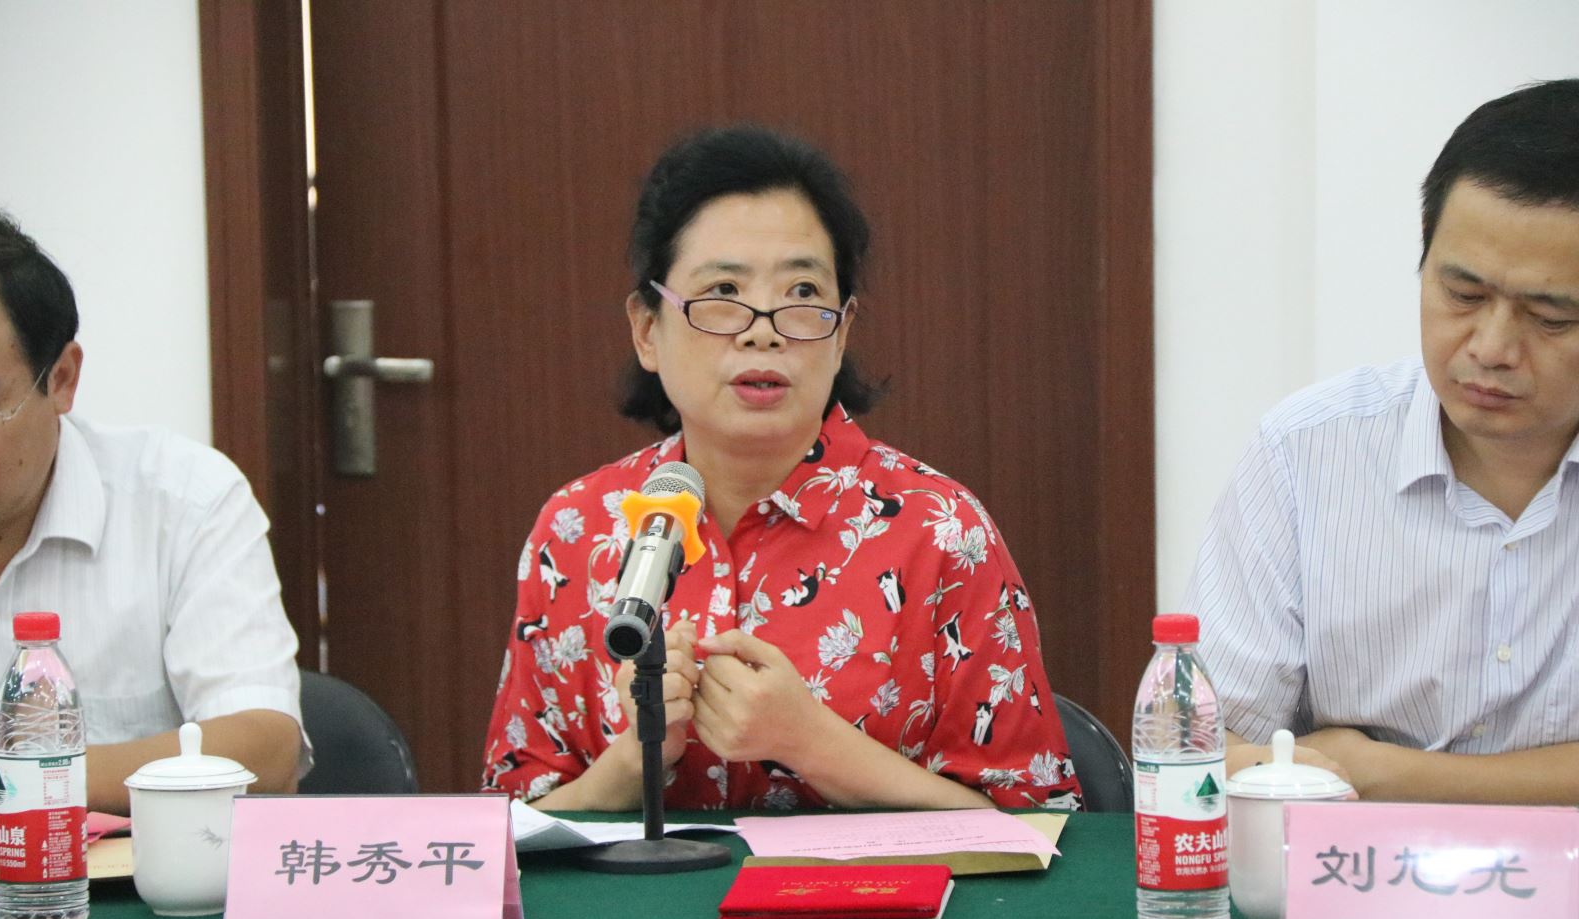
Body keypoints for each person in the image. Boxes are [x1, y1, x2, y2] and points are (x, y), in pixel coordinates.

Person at [482, 126, 1081, 811]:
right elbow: (510, 829)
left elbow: (1040, 823)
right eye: (723, 291)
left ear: (841, 332)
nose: (762, 329)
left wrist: (811, 743)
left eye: (801, 292)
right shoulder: (577, 527)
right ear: (648, 330)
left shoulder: (939, 531)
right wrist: (631, 763)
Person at [1186, 80, 1579, 804]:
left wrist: (1388, 772)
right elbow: (1205, 745)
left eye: (1551, 316)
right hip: (1350, 868)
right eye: (1463, 294)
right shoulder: (1306, 453)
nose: (1491, 348)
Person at [0, 211, 305, 832]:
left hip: (133, 885)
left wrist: (29, 779)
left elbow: (266, 749)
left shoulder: (183, 502)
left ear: (62, 379)